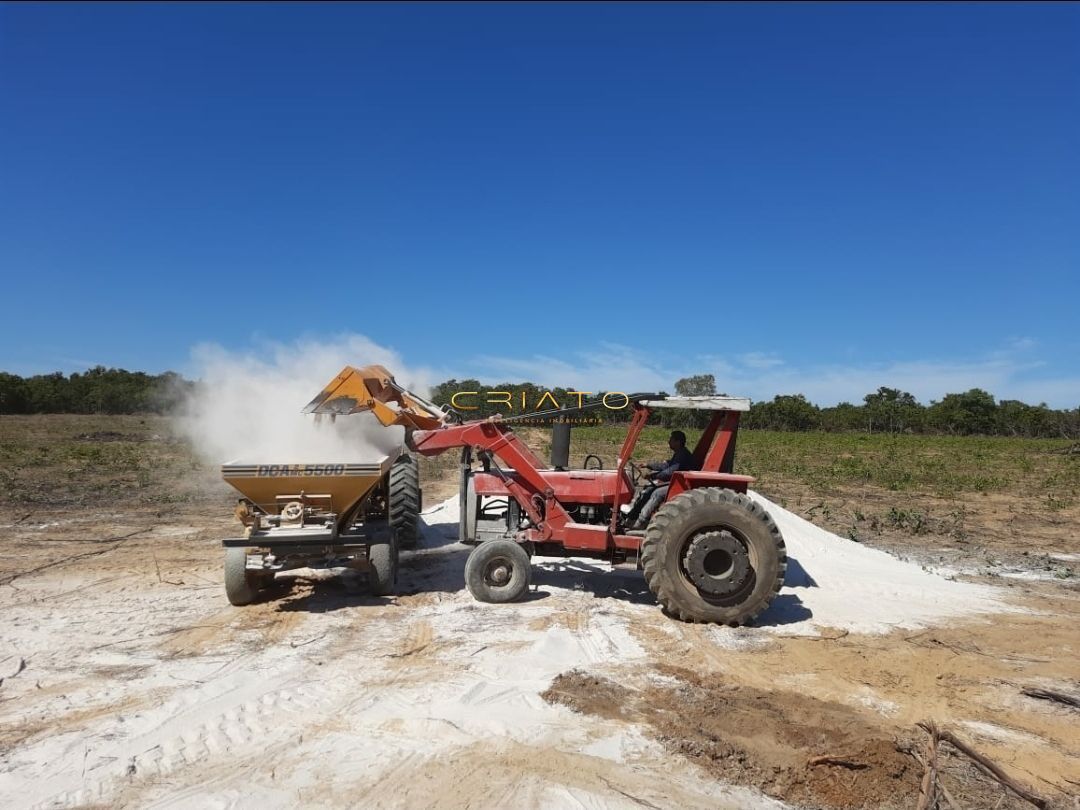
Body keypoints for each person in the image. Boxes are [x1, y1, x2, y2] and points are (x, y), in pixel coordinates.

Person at [627, 430, 697, 530]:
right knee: (649, 488)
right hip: (677, 482)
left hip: (682, 485)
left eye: (671, 440)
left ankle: (641, 521)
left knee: (657, 493)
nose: (669, 442)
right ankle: (632, 516)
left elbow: (669, 472)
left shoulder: (682, 455)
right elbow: (666, 466)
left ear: (678, 442)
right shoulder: (679, 453)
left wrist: (652, 476)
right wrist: (648, 465)